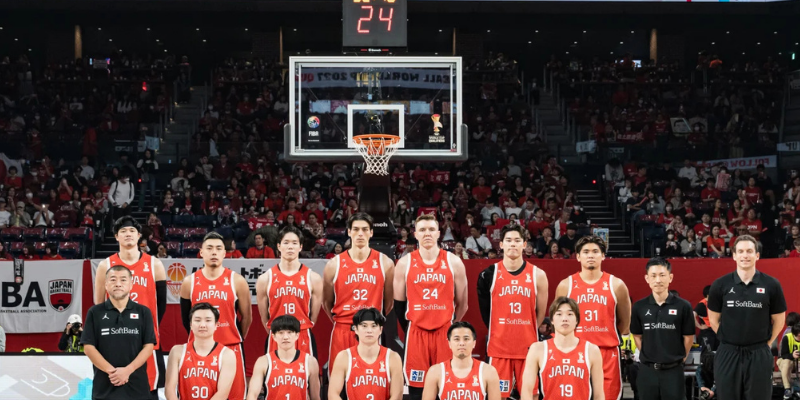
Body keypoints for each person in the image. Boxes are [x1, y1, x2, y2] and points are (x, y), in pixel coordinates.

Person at [393, 214, 469, 400]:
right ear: (415, 234)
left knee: (446, 387)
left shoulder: (454, 262)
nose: (427, 233)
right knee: (417, 390)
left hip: (444, 332)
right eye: (422, 230)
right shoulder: (404, 263)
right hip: (416, 333)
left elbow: (463, 304)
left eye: (431, 229)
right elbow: (399, 304)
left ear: (438, 233)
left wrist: (451, 325)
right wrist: (411, 327)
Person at [94, 216, 167, 397]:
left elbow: (161, 305)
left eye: (132, 231)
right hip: (114, 340)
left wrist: (146, 328)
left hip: (145, 342)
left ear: (139, 235)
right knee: (114, 392)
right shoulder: (105, 265)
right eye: (123, 231)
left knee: (149, 391)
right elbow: (99, 305)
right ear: (116, 236)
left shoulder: (155, 264)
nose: (128, 234)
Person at [707, 235, 787, 400]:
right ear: (734, 255)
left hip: (759, 354)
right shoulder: (720, 285)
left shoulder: (771, 285)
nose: (745, 255)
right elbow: (713, 320)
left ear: (757, 255)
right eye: (741, 251)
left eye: (749, 251)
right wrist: (729, 339)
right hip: (728, 353)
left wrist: (765, 343)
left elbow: (779, 320)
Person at [554, 235, 631, 400]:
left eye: (595, 251)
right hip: (575, 352)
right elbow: (559, 323)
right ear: (578, 256)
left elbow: (624, 323)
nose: (590, 255)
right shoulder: (565, 285)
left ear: (603, 256)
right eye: (586, 252)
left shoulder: (616, 285)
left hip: (607, 353)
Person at [477, 224, 548, 399]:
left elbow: (540, 314)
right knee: (497, 396)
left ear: (524, 244)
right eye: (508, 240)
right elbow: (486, 313)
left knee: (531, 395)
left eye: (517, 240)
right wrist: (500, 330)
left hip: (528, 349)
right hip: (499, 349)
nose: (513, 244)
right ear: (501, 244)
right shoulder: (489, 274)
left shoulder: (538, 275)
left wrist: (526, 329)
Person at [180, 232, 253, 400]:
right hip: (200, 350)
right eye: (210, 248)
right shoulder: (189, 282)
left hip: (231, 347)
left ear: (225, 253)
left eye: (219, 248)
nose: (214, 252)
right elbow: (186, 319)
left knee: (235, 396)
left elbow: (247, 317)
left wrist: (236, 338)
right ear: (201, 252)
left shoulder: (237, 281)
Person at [322, 213, 395, 377]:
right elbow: (326, 303)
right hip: (342, 329)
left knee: (369, 381)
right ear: (349, 232)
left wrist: (371, 322)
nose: (360, 234)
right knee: (339, 382)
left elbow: (389, 303)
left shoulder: (385, 263)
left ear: (371, 232)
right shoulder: (334, 264)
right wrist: (343, 321)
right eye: (355, 229)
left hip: (370, 331)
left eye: (364, 229)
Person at [81, 265, 156, 400]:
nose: (118, 284)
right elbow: (88, 347)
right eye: (113, 279)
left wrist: (127, 371)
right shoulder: (95, 312)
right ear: (106, 285)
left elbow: (148, 347)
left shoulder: (143, 312)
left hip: (137, 389)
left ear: (131, 285)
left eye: (123, 280)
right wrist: (113, 373)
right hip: (104, 390)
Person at [629, 258, 695, 400]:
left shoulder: (683, 306)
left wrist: (678, 359)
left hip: (673, 371)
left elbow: (688, 337)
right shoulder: (639, 307)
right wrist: (649, 355)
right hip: (647, 371)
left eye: (662, 275)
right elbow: (637, 335)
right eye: (653, 276)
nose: (658, 280)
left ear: (670, 277)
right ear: (647, 278)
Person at [520, 297, 605, 400]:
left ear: (577, 320)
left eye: (570, 314)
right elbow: (526, 391)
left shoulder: (592, 351)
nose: (564, 318)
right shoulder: (538, 349)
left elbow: (599, 395)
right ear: (552, 320)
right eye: (559, 314)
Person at [256, 226, 323, 356]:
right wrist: (277, 331)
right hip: (276, 335)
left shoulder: (313, 278)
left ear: (300, 247)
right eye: (286, 243)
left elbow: (313, 318)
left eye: (294, 243)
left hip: (303, 335)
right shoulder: (265, 279)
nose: (290, 247)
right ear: (279, 246)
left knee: (306, 370)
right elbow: (264, 318)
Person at [328, 308, 404, 400]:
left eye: (374, 326)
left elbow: (397, 396)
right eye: (364, 326)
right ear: (355, 329)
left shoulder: (393, 358)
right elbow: (333, 394)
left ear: (380, 329)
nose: (369, 330)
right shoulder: (344, 357)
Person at [165, 302, 235, 400]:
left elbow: (222, 394)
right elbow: (169, 390)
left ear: (216, 325)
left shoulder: (227, 354)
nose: (202, 325)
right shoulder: (177, 351)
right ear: (191, 325)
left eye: (208, 320)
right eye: (197, 320)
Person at [421, 321, 501, 400]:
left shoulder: (488, 371)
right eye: (457, 339)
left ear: (474, 343)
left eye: (466, 339)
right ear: (449, 343)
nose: (462, 343)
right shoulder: (435, 372)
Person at [247, 314, 321, 400]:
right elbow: (252, 395)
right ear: (273, 336)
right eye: (281, 333)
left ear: (297, 335)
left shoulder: (310, 362)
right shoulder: (263, 362)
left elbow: (315, 397)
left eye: (290, 332)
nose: (285, 337)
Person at [777, 323, 800, 399]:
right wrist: (792, 355)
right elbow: (783, 355)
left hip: (797, 363)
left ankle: (794, 388)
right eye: (799, 336)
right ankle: (787, 388)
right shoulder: (787, 338)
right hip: (784, 360)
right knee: (787, 363)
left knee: (788, 367)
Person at [694, 285, 719, 351]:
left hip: (717, 332)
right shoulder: (702, 304)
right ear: (708, 295)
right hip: (707, 333)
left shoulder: (718, 303)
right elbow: (692, 316)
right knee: (708, 353)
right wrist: (700, 326)